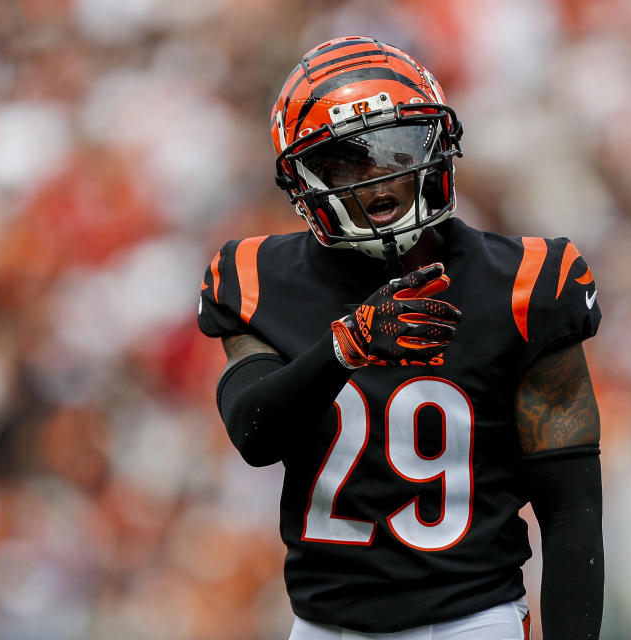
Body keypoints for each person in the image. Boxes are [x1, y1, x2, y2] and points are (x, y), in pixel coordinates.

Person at [198, 36, 603, 639]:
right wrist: (346, 347)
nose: (380, 179)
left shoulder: (525, 285)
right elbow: (254, 432)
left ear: (438, 144)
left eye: (396, 149)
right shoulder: (259, 278)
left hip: (471, 620)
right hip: (321, 625)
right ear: (304, 180)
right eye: (346, 161)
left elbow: (570, 506)